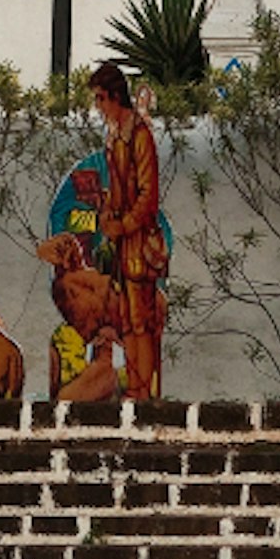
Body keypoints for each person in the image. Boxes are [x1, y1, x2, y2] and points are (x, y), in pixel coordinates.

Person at [82, 62, 170, 398]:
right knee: (127, 322)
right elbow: (116, 189)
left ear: (115, 96)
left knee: (141, 323)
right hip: (122, 242)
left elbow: (148, 195)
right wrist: (106, 214)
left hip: (141, 242)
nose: (99, 106)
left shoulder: (139, 135)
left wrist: (124, 224)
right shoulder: (114, 137)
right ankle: (135, 387)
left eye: (101, 98)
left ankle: (142, 391)